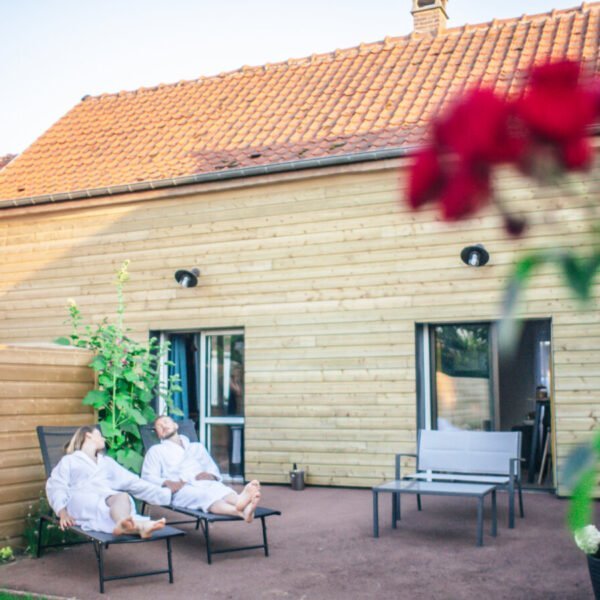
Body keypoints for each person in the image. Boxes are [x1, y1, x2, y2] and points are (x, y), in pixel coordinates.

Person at [46, 425, 171, 538]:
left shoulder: (106, 462)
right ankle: (136, 525)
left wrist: (165, 493)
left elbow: (132, 482)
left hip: (104, 497)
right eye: (100, 435)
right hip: (79, 499)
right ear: (88, 435)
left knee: (123, 496)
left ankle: (125, 524)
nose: (104, 439)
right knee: (107, 506)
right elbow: (56, 485)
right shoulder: (70, 460)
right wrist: (62, 512)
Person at [141, 415, 261, 522]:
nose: (163, 426)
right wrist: (167, 482)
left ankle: (240, 501)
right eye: (159, 426)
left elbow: (212, 468)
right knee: (203, 496)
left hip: (203, 482)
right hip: (180, 490)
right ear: (158, 434)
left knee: (220, 488)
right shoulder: (156, 451)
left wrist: (211, 475)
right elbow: (147, 477)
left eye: (166, 422)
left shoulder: (196, 447)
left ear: (176, 425)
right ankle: (240, 511)